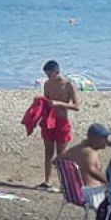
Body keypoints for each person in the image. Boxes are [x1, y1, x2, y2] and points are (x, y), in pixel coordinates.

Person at [27, 60, 81, 188]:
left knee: (61, 154)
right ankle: (48, 181)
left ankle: (65, 182)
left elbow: (77, 106)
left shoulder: (68, 84)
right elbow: (46, 102)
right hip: (49, 121)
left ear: (57, 72)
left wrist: (59, 103)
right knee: (48, 152)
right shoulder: (47, 84)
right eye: (46, 74)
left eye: (49, 74)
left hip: (62, 121)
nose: (48, 77)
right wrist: (39, 102)